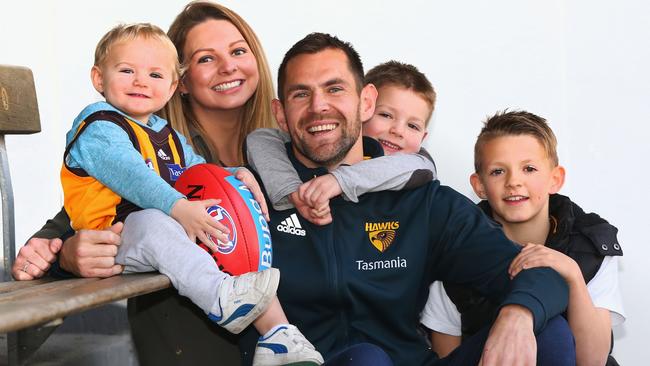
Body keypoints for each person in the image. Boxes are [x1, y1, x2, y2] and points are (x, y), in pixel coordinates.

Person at [13, 2, 390, 365]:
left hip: (295, 347)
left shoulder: (293, 154)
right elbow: (73, 224)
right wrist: (64, 256)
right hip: (190, 346)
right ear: (184, 81)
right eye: (206, 58)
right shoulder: (140, 149)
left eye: (238, 51)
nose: (228, 67)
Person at [235, 32, 575, 366]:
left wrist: (517, 315)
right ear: (281, 114)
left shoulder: (420, 201)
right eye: (300, 94)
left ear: (366, 101)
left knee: (547, 331)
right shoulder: (252, 198)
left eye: (334, 89)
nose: (319, 106)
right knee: (367, 359)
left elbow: (538, 277)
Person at [57, 21, 322, 366]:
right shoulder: (99, 126)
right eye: (126, 70)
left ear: (171, 88)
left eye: (155, 75)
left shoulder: (165, 134)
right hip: (115, 233)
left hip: (159, 233)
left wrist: (235, 176)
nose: (140, 81)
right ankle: (221, 300)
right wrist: (179, 207)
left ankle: (278, 336)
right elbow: (132, 175)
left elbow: (197, 170)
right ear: (98, 79)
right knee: (155, 220)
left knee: (232, 227)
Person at [421, 110, 625, 365]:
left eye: (528, 168)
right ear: (479, 185)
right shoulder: (453, 251)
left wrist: (572, 273)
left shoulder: (590, 246)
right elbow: (448, 357)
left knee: (553, 330)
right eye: (498, 171)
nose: (514, 181)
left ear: (555, 179)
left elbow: (592, 360)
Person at [245, 61, 437, 225]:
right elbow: (262, 138)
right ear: (363, 108)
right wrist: (291, 190)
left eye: (413, 126)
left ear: (423, 137)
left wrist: (340, 180)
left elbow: (419, 166)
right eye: (386, 115)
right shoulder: (317, 144)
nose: (398, 131)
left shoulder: (419, 166)